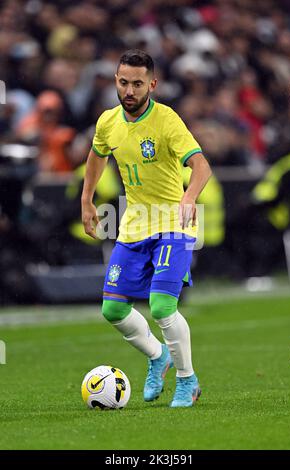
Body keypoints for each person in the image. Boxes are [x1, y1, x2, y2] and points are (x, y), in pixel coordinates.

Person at [81, 50, 212, 407]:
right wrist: (87, 199)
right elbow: (97, 155)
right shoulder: (108, 122)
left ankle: (188, 381)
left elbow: (201, 167)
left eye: (138, 83)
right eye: (123, 82)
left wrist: (189, 197)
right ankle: (158, 356)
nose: (129, 89)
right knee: (113, 310)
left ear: (152, 84)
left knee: (161, 306)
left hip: (174, 222)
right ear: (115, 81)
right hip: (134, 224)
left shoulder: (167, 120)